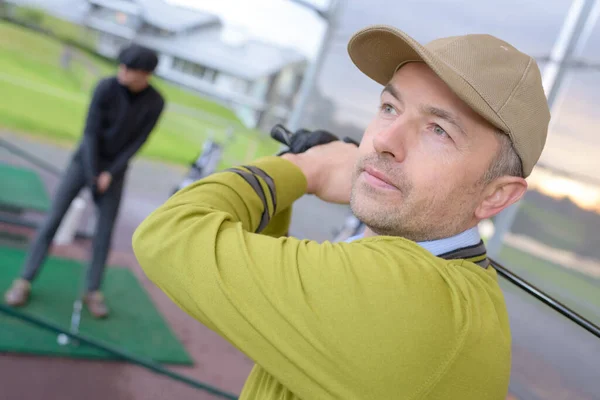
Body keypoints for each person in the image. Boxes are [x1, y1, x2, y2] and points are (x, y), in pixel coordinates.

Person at [132, 25, 550, 399]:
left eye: (438, 130)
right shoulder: (452, 286)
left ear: (496, 196)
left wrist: (302, 168)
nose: (385, 139)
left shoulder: (410, 294)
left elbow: (167, 234)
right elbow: (265, 299)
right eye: (390, 107)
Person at [4, 44, 165, 318]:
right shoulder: (105, 87)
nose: (122, 72)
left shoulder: (156, 102)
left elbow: (137, 143)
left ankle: (93, 291)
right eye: (122, 66)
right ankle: (24, 280)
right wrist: (93, 173)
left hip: (115, 171)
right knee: (52, 220)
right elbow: (90, 133)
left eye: (129, 69)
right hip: (84, 162)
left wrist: (109, 174)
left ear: (146, 75)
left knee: (104, 232)